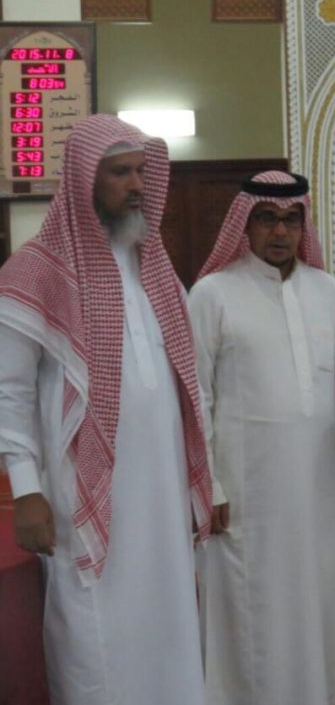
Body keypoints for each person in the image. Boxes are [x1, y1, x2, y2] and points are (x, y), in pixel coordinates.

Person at [0, 114, 212, 705]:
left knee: (169, 617)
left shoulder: (156, 270)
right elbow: (8, 392)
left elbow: (188, 382)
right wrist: (26, 490)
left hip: (161, 489)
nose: (137, 184)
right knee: (93, 631)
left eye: (142, 171)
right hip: (83, 490)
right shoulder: (37, 271)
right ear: (84, 179)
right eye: (120, 173)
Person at [187, 171, 335, 705]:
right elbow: (197, 398)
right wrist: (208, 485)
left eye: (292, 220)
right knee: (253, 610)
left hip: (321, 490)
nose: (280, 231)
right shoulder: (213, 293)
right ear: (245, 224)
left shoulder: (326, 290)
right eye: (267, 218)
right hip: (247, 494)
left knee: (322, 602)